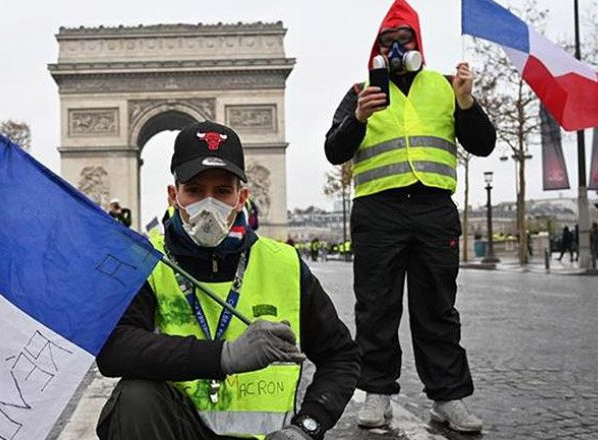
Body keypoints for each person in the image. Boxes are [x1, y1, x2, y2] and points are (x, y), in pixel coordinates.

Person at [96, 121, 360, 440]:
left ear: (242, 196)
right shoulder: (146, 259)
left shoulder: (284, 263)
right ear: (172, 194)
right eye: (194, 190)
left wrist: (309, 426)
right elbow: (113, 349)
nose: (209, 204)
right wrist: (224, 355)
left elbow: (341, 355)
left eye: (222, 191)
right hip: (179, 428)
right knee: (135, 396)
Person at [323, 0, 496, 433]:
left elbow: (484, 144)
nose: (397, 48)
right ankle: (376, 392)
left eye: (405, 40)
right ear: (376, 48)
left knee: (438, 309)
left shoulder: (446, 86)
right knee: (376, 307)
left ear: (420, 44)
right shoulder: (360, 91)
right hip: (379, 210)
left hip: (434, 210)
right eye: (388, 41)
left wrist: (468, 101)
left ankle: (448, 398)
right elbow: (333, 151)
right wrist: (359, 118)